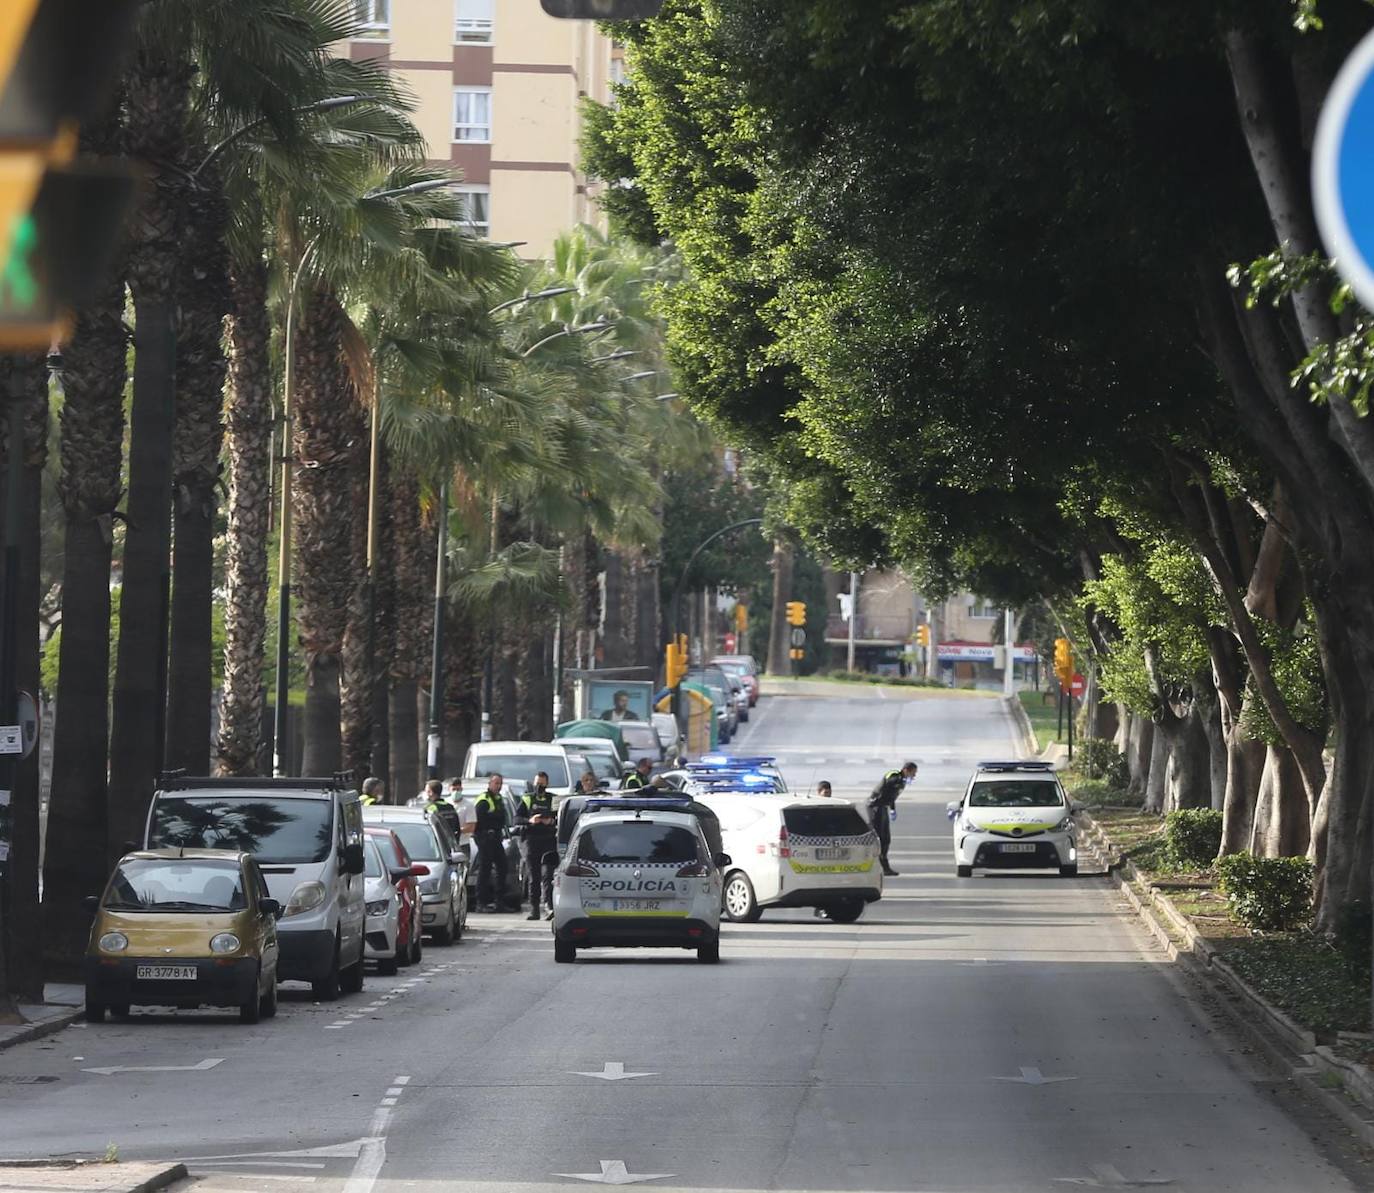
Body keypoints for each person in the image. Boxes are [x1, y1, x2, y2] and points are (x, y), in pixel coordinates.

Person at [515, 771, 558, 922]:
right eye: (537, 783)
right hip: (531, 840)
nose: (539, 786)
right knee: (534, 876)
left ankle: (549, 906)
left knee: (548, 875)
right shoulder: (527, 798)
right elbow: (517, 819)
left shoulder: (553, 798)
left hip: (548, 840)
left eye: (542, 783)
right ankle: (534, 909)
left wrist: (550, 821)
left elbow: (559, 817)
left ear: (547, 783)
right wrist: (530, 820)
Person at [868, 762, 917, 877]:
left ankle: (884, 867)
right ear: (906, 770)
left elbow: (891, 796)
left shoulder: (902, 781)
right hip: (875, 807)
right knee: (880, 838)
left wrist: (893, 810)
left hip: (883, 807)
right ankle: (878, 866)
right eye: (913, 773)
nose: (914, 776)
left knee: (886, 839)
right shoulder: (894, 774)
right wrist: (901, 780)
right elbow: (889, 782)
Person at [474, 774, 510, 913]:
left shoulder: (499, 799)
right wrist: (494, 820)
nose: (498, 786)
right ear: (489, 783)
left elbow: (502, 819)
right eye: (496, 783)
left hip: (496, 838)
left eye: (500, 783)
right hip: (485, 838)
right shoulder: (484, 799)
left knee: (503, 867)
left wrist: (495, 820)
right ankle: (480, 903)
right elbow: (480, 820)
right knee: (484, 870)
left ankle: (499, 901)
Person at [424, 778, 462, 843]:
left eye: (426, 791)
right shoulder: (450, 807)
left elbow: (426, 829)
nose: (425, 793)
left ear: (430, 792)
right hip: (451, 843)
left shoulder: (430, 808)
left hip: (437, 844)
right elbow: (457, 828)